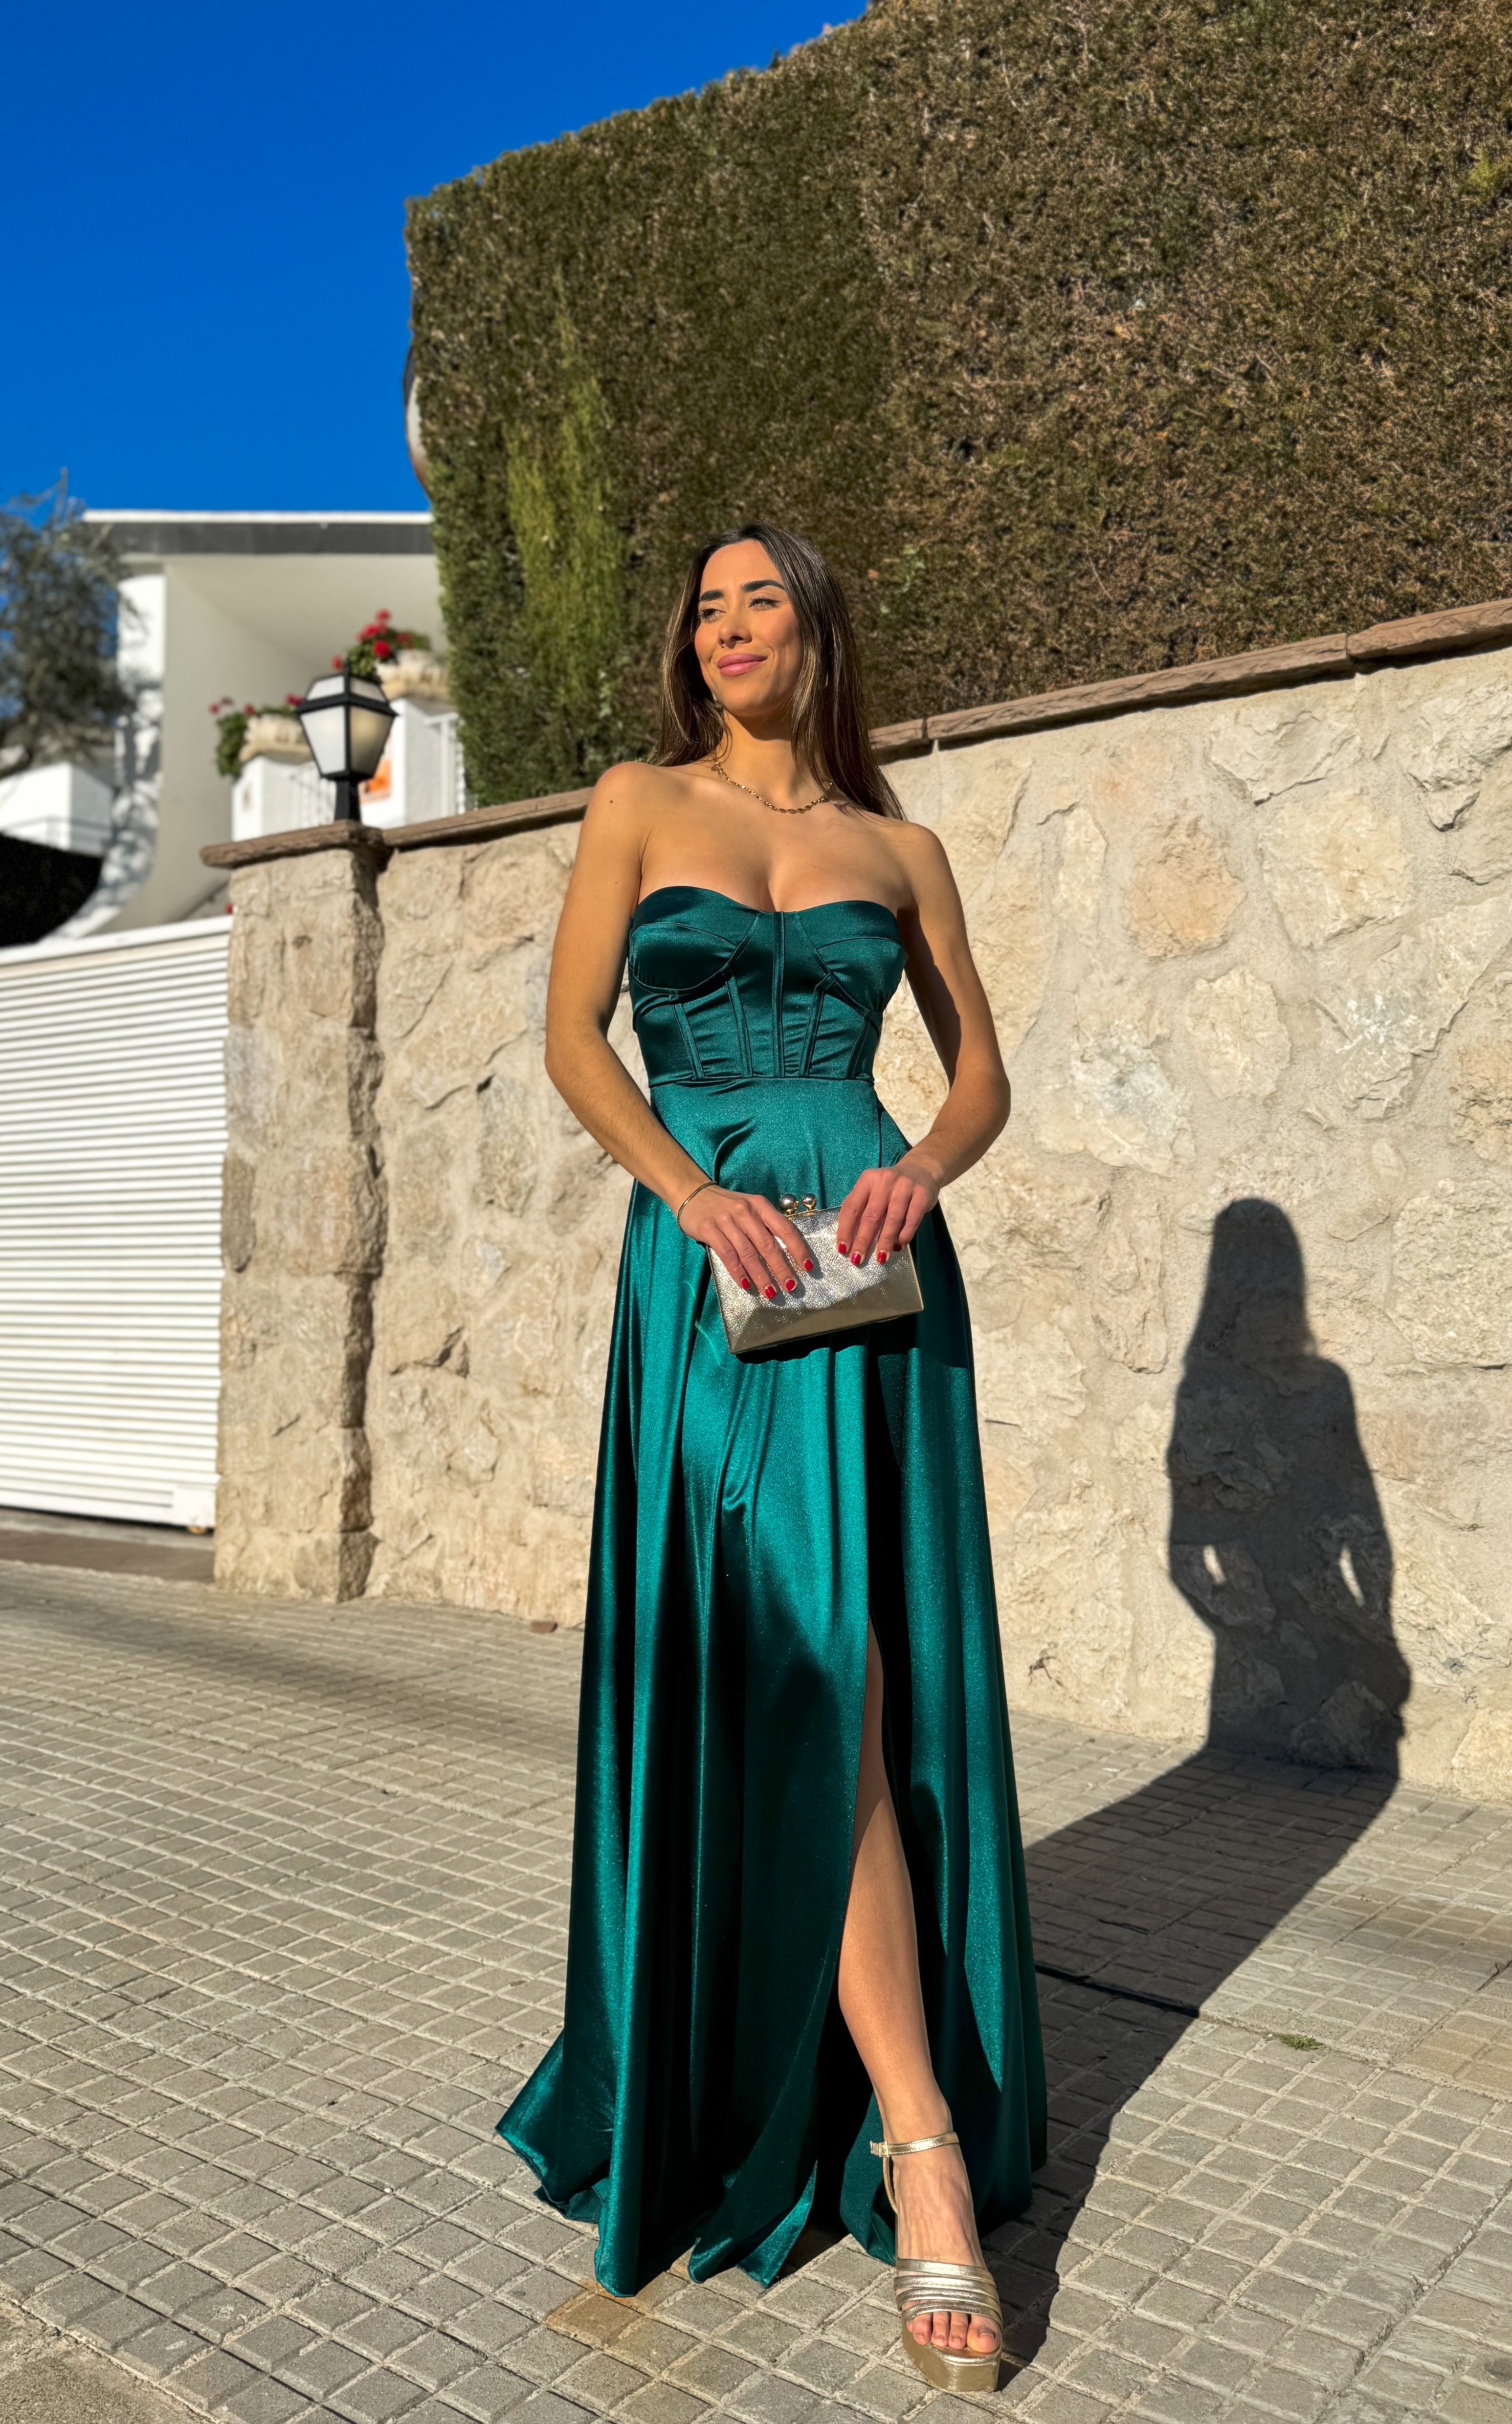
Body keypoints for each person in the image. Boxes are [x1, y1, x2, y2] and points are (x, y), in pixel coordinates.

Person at [497, 522, 1044, 2395]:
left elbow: (979, 1075)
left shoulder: (905, 850)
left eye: (765, 601)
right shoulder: (635, 802)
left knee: (863, 1681)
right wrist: (689, 1190)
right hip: (711, 1275)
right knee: (792, 1678)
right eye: (709, 606)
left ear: (821, 633)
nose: (731, 626)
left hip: (874, 1283)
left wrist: (924, 1166)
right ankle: (893, 2130)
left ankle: (912, 2139)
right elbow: (575, 1042)